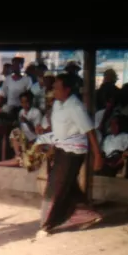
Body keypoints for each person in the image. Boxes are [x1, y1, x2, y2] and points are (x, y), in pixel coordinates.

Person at [33, 73, 104, 238]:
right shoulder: (58, 103)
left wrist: (97, 155)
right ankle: (87, 213)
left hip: (73, 151)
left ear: (67, 89)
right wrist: (45, 134)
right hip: (60, 146)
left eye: (57, 88)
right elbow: (58, 126)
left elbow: (90, 132)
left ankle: (47, 225)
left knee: (56, 185)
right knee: (68, 184)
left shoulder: (76, 107)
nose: (54, 90)